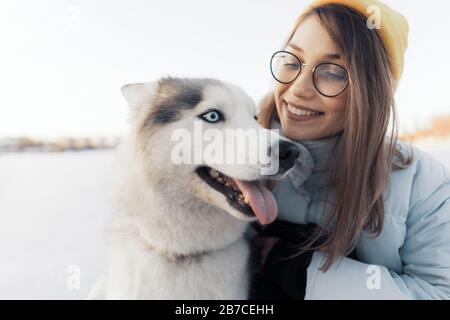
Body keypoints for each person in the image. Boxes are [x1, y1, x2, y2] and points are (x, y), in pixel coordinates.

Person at [249, 0, 450, 300]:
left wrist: (303, 272)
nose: (298, 88)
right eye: (292, 61)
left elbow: (438, 292)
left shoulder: (422, 184)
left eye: (332, 72)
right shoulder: (232, 151)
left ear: (371, 92)